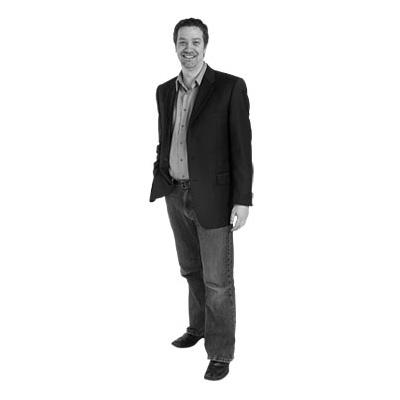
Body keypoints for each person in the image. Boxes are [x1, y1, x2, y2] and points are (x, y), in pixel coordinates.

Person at [149, 17, 253, 380]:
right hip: (174, 193)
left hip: (214, 197)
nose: (189, 48)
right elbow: (166, 137)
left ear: (205, 46)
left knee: (217, 281)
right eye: (183, 42)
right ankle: (199, 327)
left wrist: (242, 199)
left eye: (195, 42)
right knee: (191, 269)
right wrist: (160, 170)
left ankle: (220, 352)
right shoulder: (164, 90)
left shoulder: (229, 87)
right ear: (175, 46)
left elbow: (241, 148)